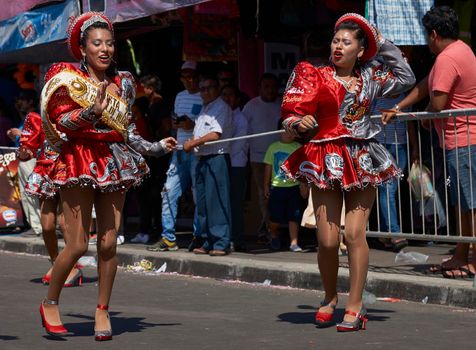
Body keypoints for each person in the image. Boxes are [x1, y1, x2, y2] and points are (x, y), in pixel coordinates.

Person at [36, 12, 176, 340]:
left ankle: (102, 310)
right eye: (97, 43)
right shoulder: (68, 78)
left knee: (110, 242)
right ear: (82, 49)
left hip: (114, 160)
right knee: (77, 244)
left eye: (110, 43)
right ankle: (50, 301)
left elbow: (126, 132)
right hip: (79, 159)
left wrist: (156, 147)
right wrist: (90, 112)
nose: (105, 49)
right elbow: (61, 125)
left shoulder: (123, 82)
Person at [281, 13, 415, 331]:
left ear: (360, 49)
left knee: (355, 234)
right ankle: (330, 297)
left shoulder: (372, 78)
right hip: (325, 157)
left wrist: (380, 42)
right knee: (327, 240)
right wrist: (299, 123)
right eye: (335, 40)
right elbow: (290, 113)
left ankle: (355, 306)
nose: (338, 46)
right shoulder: (314, 74)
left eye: (346, 41)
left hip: (362, 156)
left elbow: (407, 78)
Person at [382, 6, 476, 279]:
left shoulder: (448, 58)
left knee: (470, 204)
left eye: (426, 35)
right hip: (459, 139)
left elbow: (438, 101)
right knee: (462, 204)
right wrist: (401, 106)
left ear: (433, 34)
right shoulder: (461, 50)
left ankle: (472, 260)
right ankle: (461, 255)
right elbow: (426, 84)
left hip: (463, 139)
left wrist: (425, 116)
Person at [19, 111, 82, 286]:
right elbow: (28, 149)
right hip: (45, 172)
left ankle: (71, 266)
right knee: (47, 225)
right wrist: (24, 152)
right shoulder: (36, 118)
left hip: (68, 170)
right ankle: (56, 263)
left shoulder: (74, 114)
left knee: (64, 223)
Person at [146, 61, 203, 252]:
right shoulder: (179, 96)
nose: (189, 80)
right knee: (169, 191)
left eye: (192, 76)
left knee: (197, 194)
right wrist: (176, 126)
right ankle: (168, 237)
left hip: (197, 151)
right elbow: (174, 122)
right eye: (185, 77)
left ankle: (199, 236)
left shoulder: (205, 96)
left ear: (198, 77)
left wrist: (192, 126)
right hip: (179, 150)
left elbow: (208, 125)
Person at [183, 75, 233, 256]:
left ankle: (221, 242)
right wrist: (191, 142)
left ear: (217, 89)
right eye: (202, 89)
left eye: (208, 88)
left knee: (217, 201)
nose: (204, 92)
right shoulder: (205, 109)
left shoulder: (221, 107)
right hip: (201, 158)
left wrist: (193, 144)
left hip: (216, 158)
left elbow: (215, 135)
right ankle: (206, 240)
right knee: (202, 203)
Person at [371, 94, 418, 251]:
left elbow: (409, 125)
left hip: (401, 146)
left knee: (392, 189)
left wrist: (415, 148)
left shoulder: (405, 97)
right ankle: (394, 232)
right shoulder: (377, 95)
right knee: (388, 189)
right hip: (381, 145)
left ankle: (385, 234)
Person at [242, 73, 282, 243]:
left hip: (281, 156)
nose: (270, 90)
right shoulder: (251, 106)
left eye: (273, 87)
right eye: (266, 86)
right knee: (263, 194)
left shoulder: (281, 104)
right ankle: (267, 230)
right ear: (260, 89)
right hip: (258, 158)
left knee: (279, 193)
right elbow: (243, 132)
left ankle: (275, 227)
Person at [6, 89, 42, 235]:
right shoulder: (25, 118)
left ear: (31, 102)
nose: (17, 103)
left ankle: (40, 227)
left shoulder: (35, 117)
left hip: (32, 159)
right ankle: (36, 226)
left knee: (33, 193)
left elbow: (39, 137)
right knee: (27, 194)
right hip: (23, 159)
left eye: (21, 99)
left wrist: (19, 134)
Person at [263, 127, 305, 252]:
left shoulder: (298, 147)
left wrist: (303, 184)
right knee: (275, 216)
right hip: (277, 187)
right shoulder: (273, 147)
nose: (288, 134)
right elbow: (268, 166)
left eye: (291, 131)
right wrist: (266, 185)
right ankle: (274, 235)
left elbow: (303, 167)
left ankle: (294, 242)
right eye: (285, 130)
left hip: (294, 186)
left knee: (294, 215)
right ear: (278, 132)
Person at [221, 84, 248, 252]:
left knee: (235, 204)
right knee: (224, 202)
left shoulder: (241, 118)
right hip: (224, 163)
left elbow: (236, 146)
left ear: (238, 99)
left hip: (236, 165)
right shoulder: (223, 116)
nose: (226, 99)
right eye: (223, 95)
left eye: (230, 95)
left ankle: (236, 238)